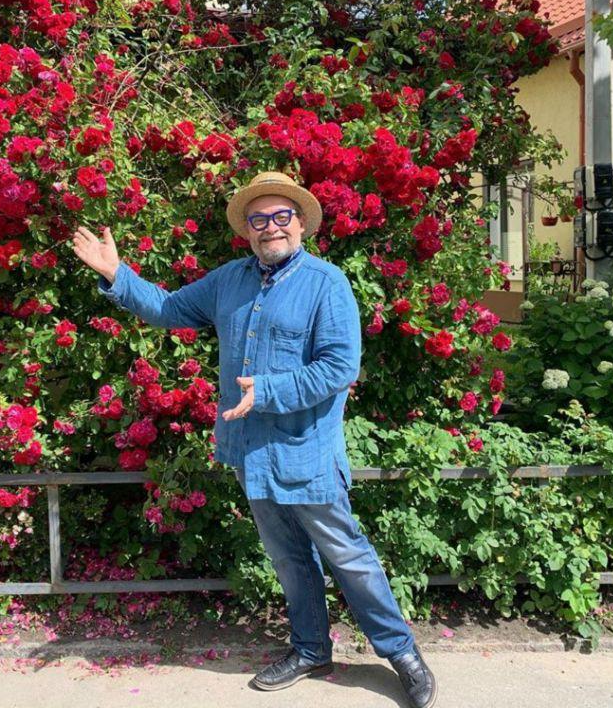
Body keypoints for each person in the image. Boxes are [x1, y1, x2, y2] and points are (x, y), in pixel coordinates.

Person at [71, 170, 438, 708]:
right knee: (289, 560)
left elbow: (340, 367)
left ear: (301, 223)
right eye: (259, 219)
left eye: (281, 216)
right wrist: (116, 275)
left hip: (307, 452)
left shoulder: (327, 283)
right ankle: (311, 649)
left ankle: (401, 652)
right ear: (247, 230)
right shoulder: (228, 281)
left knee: (349, 557)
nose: (271, 227)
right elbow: (170, 309)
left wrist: (267, 390)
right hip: (252, 453)